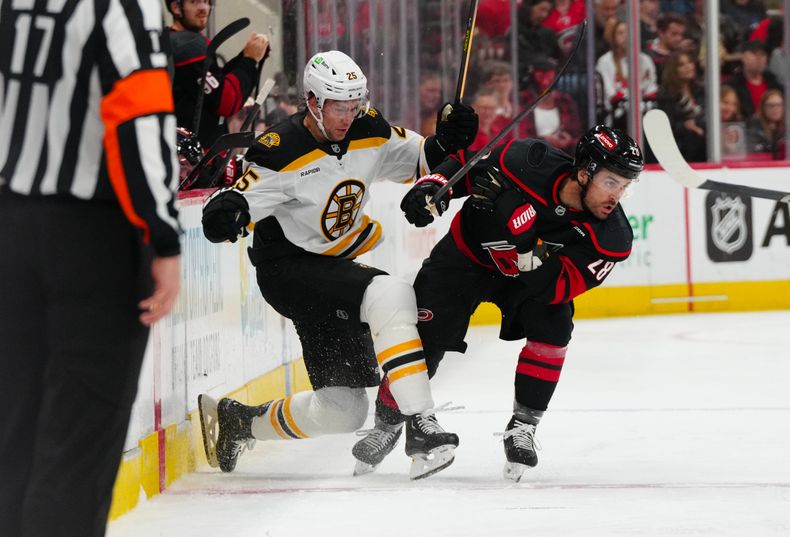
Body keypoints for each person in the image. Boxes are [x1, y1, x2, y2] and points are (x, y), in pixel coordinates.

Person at [197, 50, 479, 480]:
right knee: (390, 292)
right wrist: (227, 211)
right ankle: (422, 422)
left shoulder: (369, 129)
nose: (347, 116)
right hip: (287, 270)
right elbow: (237, 200)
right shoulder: (279, 149)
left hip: (330, 273)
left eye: (353, 104)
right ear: (313, 101)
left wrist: (447, 138)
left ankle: (240, 422)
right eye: (337, 106)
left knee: (343, 410)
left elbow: (422, 158)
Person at [352, 125, 643, 482]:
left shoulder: (611, 238)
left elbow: (552, 289)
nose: (617, 196)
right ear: (584, 173)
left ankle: (523, 426)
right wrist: (434, 187)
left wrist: (523, 238)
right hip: (465, 258)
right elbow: (466, 165)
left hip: (527, 284)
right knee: (425, 336)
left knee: (554, 324)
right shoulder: (527, 160)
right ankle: (388, 422)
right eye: (612, 182)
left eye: (625, 186)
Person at [0, 0, 182, 535]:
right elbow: (137, 114)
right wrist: (162, 234)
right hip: (92, 241)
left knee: (14, 434)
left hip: (10, 227)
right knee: (77, 443)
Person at [166, 0, 270, 148]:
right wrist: (249, 60)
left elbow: (215, 85)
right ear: (176, 7)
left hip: (179, 151)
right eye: (194, 2)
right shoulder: (189, 47)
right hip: (191, 161)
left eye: (206, 1)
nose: (203, 8)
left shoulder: (168, 40)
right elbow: (226, 101)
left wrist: (246, 56)